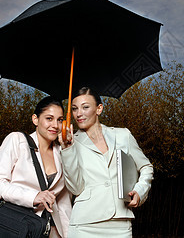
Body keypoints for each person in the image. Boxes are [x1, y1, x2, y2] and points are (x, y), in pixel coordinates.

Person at [59, 87, 154, 237]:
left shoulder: (123, 135)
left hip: (120, 223)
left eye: (85, 107)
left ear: (99, 109)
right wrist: (67, 149)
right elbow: (75, 188)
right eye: (75, 109)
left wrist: (139, 191)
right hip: (84, 224)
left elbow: (146, 167)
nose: (79, 114)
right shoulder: (70, 143)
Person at [0, 96, 72, 238]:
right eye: (49, 118)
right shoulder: (17, 140)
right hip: (17, 224)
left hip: (52, 230)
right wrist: (33, 196)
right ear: (35, 119)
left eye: (60, 120)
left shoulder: (62, 152)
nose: (55, 125)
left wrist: (69, 150)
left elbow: (64, 201)